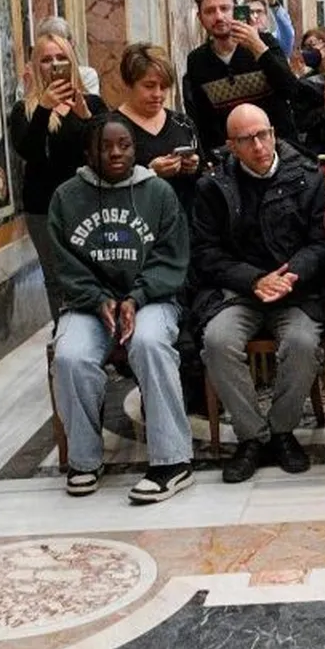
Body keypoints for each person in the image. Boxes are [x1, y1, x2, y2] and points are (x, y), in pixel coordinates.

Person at [48, 114, 192, 502]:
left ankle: (173, 462)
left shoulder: (159, 192)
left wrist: (136, 298)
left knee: (149, 343)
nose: (115, 153)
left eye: (124, 145)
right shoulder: (65, 197)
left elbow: (172, 257)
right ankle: (84, 460)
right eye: (105, 146)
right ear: (88, 153)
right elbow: (64, 265)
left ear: (134, 150)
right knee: (71, 356)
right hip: (87, 305)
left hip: (151, 299)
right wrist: (97, 299)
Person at [190, 105, 325, 483]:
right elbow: (205, 253)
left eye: (263, 135)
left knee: (302, 343)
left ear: (273, 133)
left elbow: (324, 242)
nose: (258, 146)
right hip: (238, 290)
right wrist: (254, 280)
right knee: (217, 341)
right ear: (231, 146)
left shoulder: (307, 177)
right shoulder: (212, 187)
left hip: (296, 289)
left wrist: (291, 275)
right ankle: (252, 436)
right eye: (246, 140)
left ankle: (282, 431)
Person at [7, 33, 104, 319]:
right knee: (56, 278)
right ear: (36, 66)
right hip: (44, 205)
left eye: (61, 58)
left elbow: (109, 151)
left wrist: (87, 118)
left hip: (88, 201)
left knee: (95, 271)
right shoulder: (24, 110)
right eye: (47, 59)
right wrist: (44, 109)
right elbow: (30, 151)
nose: (54, 65)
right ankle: (63, 333)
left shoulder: (92, 103)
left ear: (72, 61)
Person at [182, 0, 303, 153]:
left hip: (279, 150)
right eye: (210, 11)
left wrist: (259, 49)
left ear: (237, 11)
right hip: (232, 156)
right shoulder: (197, 60)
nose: (219, 17)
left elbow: (291, 90)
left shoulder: (265, 42)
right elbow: (202, 120)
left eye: (225, 8)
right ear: (200, 18)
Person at [115, 43, 202, 213]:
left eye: (164, 87)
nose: (157, 94)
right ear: (129, 83)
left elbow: (203, 177)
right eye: (149, 86)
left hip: (181, 218)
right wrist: (149, 173)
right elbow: (104, 184)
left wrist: (194, 166)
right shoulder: (110, 129)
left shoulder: (183, 123)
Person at [294, 26, 325, 154]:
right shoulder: (305, 84)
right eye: (305, 48)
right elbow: (301, 123)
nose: (307, 52)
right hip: (322, 147)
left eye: (312, 45)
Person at [30, 16, 102, 96]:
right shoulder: (29, 80)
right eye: (46, 60)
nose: (55, 63)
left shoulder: (87, 75)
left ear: (71, 44)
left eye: (61, 58)